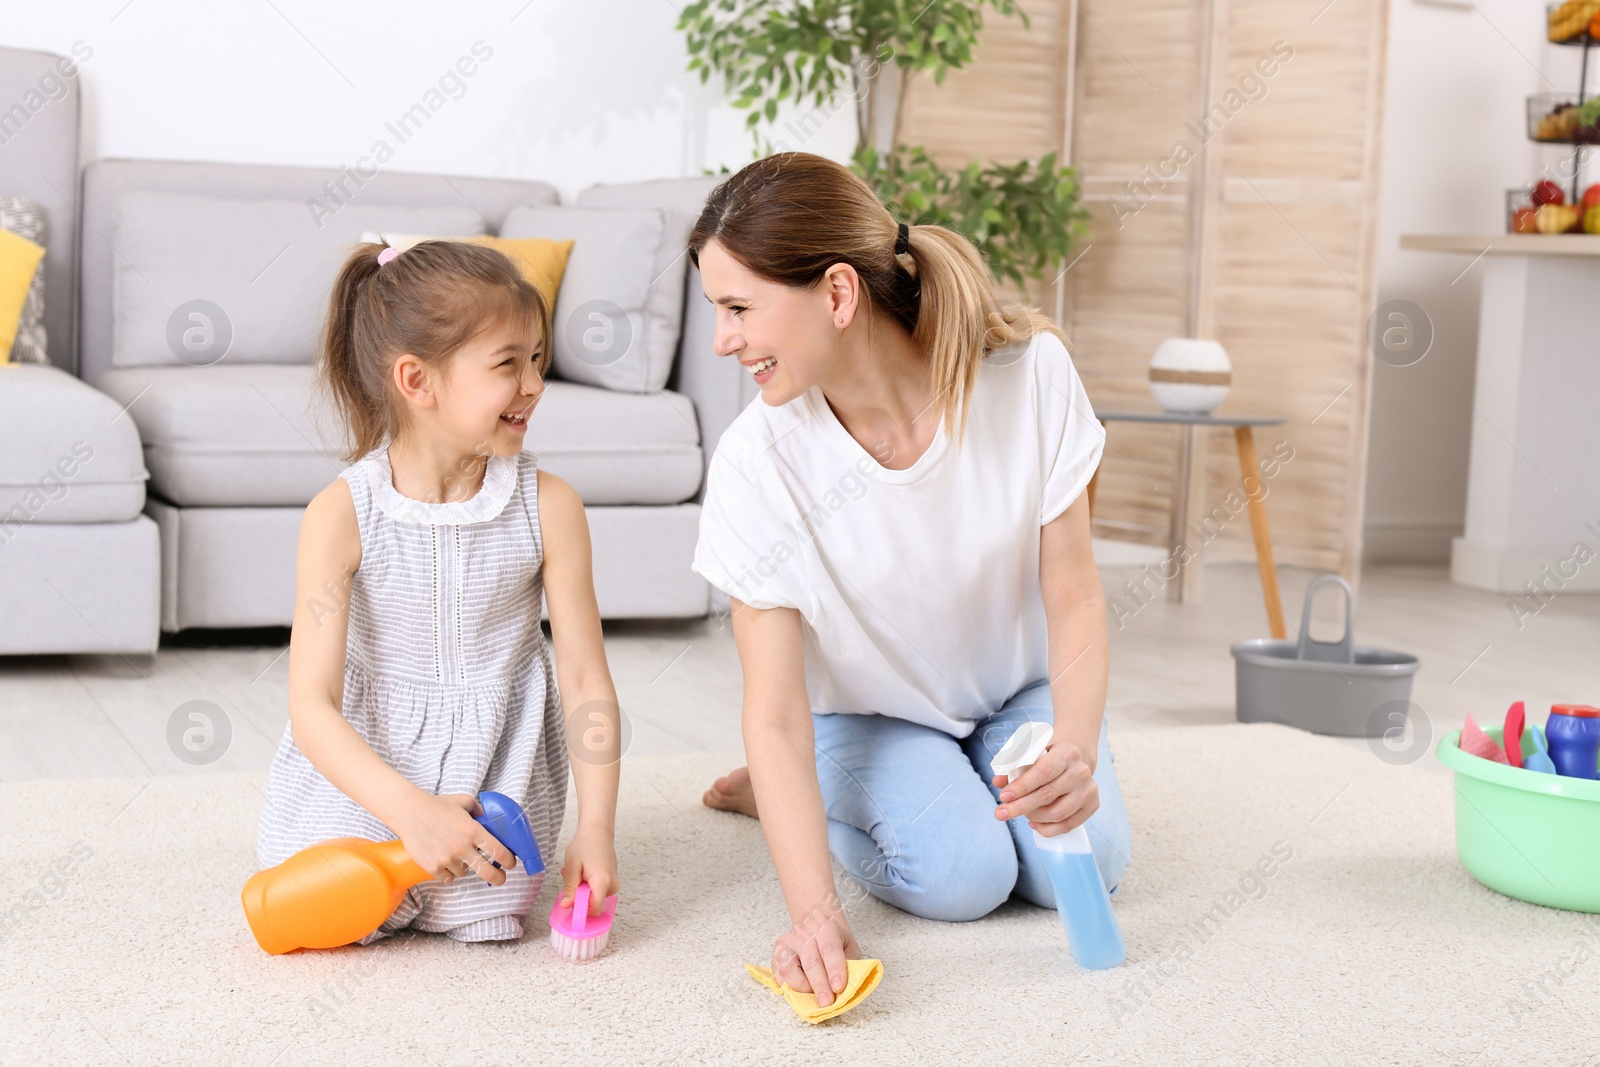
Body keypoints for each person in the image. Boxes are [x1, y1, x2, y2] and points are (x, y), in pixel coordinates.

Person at [689, 153, 1132, 1006]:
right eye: (718, 310)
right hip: (867, 720)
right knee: (963, 876)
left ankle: (935, 778)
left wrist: (1071, 749)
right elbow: (774, 708)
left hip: (1013, 695)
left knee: (1089, 859)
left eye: (739, 308)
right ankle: (803, 797)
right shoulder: (757, 463)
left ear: (839, 294)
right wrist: (812, 909)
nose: (724, 340)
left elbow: (1074, 593)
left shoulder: (1028, 377)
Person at [255, 240, 620, 943]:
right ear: (417, 381)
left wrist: (597, 829)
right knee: (336, 909)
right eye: (508, 364)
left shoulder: (550, 506)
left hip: (495, 773)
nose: (536, 383)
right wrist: (411, 812)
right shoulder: (340, 514)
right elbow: (311, 707)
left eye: (537, 359)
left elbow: (583, 680)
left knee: (488, 914)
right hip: (369, 772)